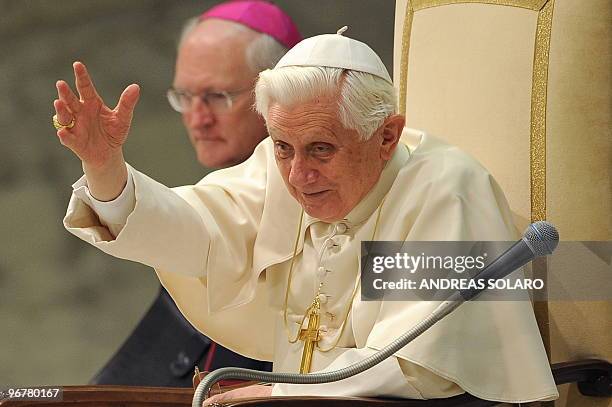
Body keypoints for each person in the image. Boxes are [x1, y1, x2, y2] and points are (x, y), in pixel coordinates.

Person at [54, 29, 559, 404]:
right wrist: (105, 168)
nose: (298, 175)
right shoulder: (282, 169)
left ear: (386, 136)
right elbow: (198, 233)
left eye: (321, 149)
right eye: (282, 147)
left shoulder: (445, 188)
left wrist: (277, 395)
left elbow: (418, 362)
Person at [87, 0, 302, 386]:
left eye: (217, 96)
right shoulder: (213, 195)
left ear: (277, 95)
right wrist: (103, 168)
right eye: (185, 97)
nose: (198, 119)